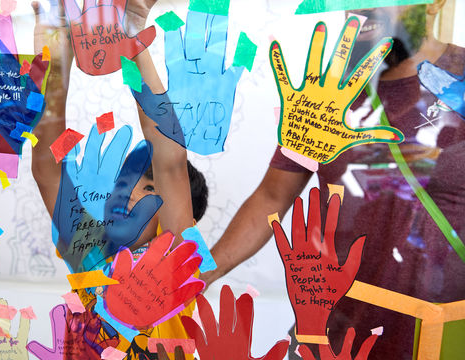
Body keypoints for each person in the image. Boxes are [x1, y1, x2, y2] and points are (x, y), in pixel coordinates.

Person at [201, 1, 465, 358]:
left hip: (438, 340)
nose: (363, 8)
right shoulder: (327, 92)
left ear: (434, 3)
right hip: (326, 337)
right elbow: (273, 197)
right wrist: (201, 274)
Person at [29, 1, 207, 358]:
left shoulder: (177, 260)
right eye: (125, 180)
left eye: (150, 187)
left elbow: (170, 159)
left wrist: (134, 49)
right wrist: (55, 63)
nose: (128, 190)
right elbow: (46, 168)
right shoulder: (91, 254)